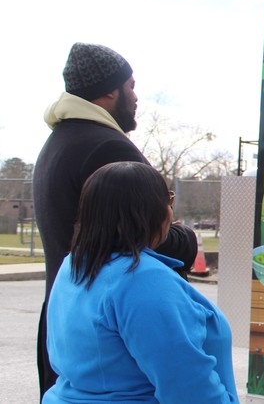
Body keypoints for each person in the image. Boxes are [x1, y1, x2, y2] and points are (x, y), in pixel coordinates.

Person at [32, 42, 197, 397]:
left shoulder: (57, 142)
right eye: (130, 86)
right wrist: (186, 239)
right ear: (109, 91)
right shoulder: (109, 148)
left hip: (67, 323)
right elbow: (139, 236)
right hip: (108, 338)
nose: (136, 97)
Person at [44, 161, 237, 403]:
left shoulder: (74, 265)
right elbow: (187, 384)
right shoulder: (142, 279)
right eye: (169, 200)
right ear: (152, 212)